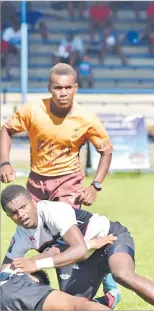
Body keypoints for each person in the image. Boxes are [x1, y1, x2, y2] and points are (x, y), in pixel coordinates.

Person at [0, 62, 120, 307]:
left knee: (66, 244)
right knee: (40, 240)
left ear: (75, 88)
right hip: (36, 184)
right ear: (49, 88)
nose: (63, 93)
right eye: (57, 88)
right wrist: (4, 162)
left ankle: (92, 287)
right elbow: (6, 130)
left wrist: (95, 185)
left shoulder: (86, 118)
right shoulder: (33, 110)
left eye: (68, 87)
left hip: (68, 183)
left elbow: (106, 151)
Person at [0, 184, 154, 311]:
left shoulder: (52, 211)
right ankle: (110, 298)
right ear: (8, 216)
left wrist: (36, 265)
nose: (21, 214)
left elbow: (79, 250)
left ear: (33, 201)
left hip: (109, 238)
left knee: (123, 274)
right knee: (73, 305)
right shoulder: (21, 235)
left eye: (23, 207)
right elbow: (5, 271)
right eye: (14, 213)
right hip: (83, 256)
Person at [0, 268, 112, 311]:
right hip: (12, 290)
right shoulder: (18, 282)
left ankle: (107, 299)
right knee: (76, 305)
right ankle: (108, 299)